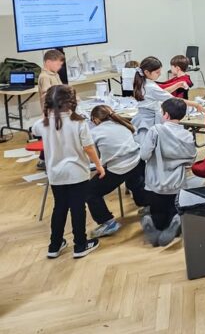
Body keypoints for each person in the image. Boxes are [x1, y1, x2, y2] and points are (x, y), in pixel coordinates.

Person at [33, 85, 103, 259]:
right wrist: (99, 165)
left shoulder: (43, 123)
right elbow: (89, 148)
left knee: (60, 207)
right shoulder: (79, 122)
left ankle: (54, 245)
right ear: (71, 102)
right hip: (77, 173)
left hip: (55, 174)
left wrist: (46, 113)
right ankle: (80, 245)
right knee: (78, 208)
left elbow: (34, 130)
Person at [140, 98, 197, 247]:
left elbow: (144, 155)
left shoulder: (155, 130)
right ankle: (175, 221)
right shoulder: (187, 135)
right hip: (177, 181)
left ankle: (156, 225)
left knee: (158, 212)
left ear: (165, 115)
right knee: (173, 207)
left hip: (155, 181)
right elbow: (191, 158)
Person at [86, 105, 149, 239]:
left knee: (90, 191)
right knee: (136, 184)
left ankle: (107, 222)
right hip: (137, 162)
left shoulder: (94, 133)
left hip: (118, 168)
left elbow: (94, 157)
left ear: (96, 119)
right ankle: (147, 205)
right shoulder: (124, 124)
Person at [132, 56, 202, 144]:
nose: (160, 74)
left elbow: (161, 92)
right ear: (147, 72)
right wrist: (195, 104)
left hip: (143, 116)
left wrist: (177, 85)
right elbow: (172, 99)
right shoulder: (151, 86)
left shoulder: (144, 82)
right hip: (150, 120)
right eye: (157, 72)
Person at [36, 49, 66, 170]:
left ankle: (46, 158)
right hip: (50, 111)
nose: (60, 67)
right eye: (58, 64)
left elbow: (61, 88)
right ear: (48, 62)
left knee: (53, 135)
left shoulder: (55, 74)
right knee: (49, 136)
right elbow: (48, 93)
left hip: (59, 110)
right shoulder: (44, 76)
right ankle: (43, 160)